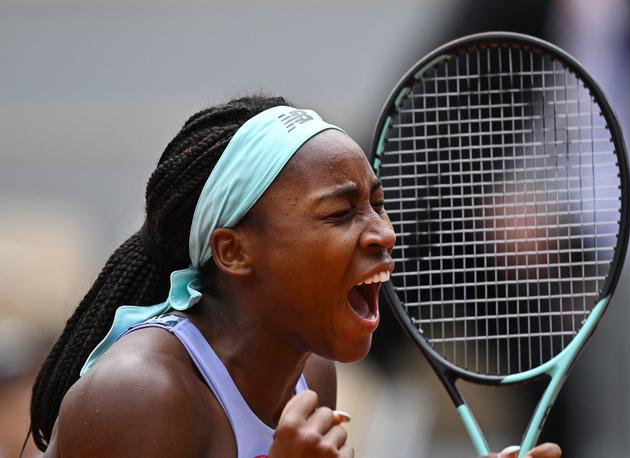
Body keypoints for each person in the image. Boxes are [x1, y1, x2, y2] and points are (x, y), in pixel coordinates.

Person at [29, 95, 561, 457]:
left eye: (377, 205)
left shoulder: (312, 373)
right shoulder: (143, 394)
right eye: (339, 213)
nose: (383, 234)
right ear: (234, 251)